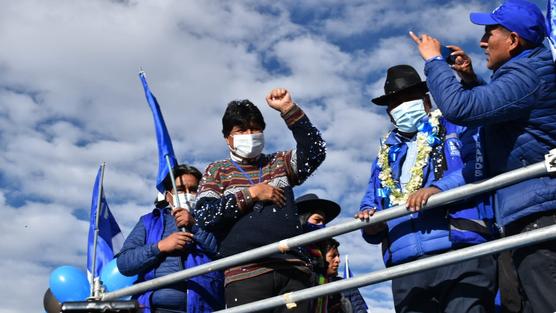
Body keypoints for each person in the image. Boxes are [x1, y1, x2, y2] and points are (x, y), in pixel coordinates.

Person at [410, 0, 556, 311]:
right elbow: (498, 121)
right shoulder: (525, 72)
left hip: (542, 215)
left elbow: (461, 109)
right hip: (528, 216)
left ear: (514, 41)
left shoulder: (528, 73)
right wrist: (470, 81)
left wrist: (434, 60)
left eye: (490, 32)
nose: (482, 41)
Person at [357, 65, 497, 312]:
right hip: (406, 267)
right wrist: (370, 221)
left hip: (459, 252)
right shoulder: (384, 153)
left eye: (408, 98)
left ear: (426, 100)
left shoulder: (455, 125)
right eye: (394, 103)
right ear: (389, 114)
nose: (401, 106)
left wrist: (437, 189)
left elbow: (477, 165)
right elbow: (370, 200)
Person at [194, 88, 326, 311]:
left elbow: (315, 152)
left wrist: (288, 109)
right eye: (241, 130)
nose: (250, 134)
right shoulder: (217, 171)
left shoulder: (278, 162)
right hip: (245, 274)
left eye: (255, 129)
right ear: (228, 138)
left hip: (293, 269)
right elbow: (205, 215)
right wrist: (251, 194)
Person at [117, 164, 224, 313]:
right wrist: (160, 247)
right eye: (180, 190)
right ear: (168, 196)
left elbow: (224, 251)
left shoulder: (213, 220)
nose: (187, 194)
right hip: (152, 307)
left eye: (193, 190)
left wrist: (194, 226)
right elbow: (124, 263)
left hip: (202, 305)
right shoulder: (148, 221)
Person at [296, 193, 341, 313]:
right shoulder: (290, 252)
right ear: (302, 219)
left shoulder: (320, 254)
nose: (322, 225)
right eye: (317, 220)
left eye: (324, 221)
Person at [324, 239, 368, 313]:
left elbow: (360, 310)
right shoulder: (308, 283)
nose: (338, 260)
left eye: (338, 256)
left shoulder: (346, 285)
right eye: (333, 256)